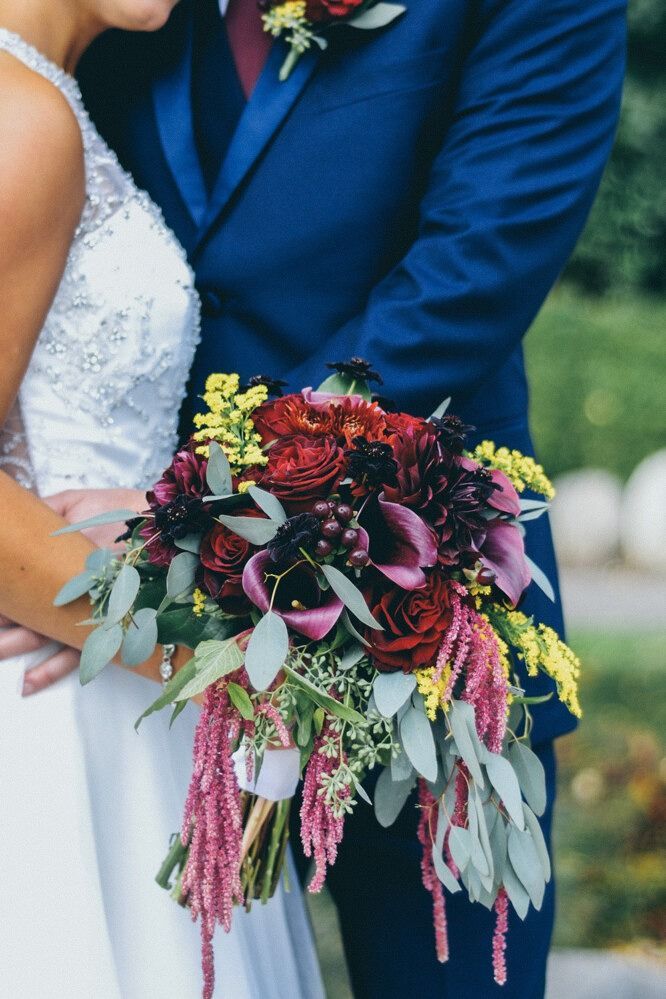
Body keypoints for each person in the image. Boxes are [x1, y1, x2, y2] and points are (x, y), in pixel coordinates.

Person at [2, 0, 626, 995]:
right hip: (130, 683)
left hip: (417, 620)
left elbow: (466, 282)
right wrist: (57, 564)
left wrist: (187, 526)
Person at [0, 2, 324, 997]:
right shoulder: (23, 118)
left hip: (106, 666)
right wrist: (228, 658)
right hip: (60, 707)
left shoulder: (61, 100)